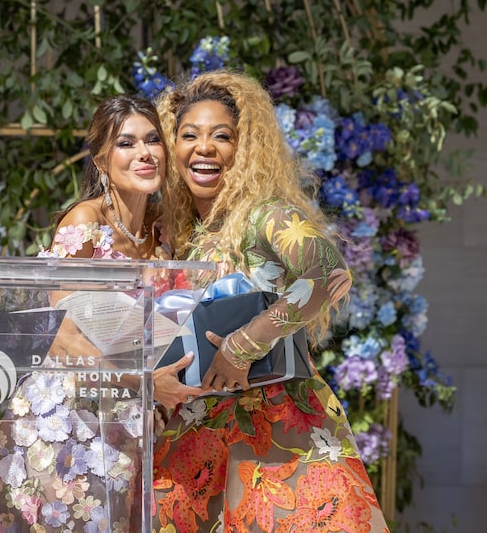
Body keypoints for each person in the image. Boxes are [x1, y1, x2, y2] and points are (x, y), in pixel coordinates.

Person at [152, 70, 390, 533]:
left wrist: (243, 344)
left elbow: (327, 273)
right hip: (197, 431)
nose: (204, 148)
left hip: (275, 425)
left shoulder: (266, 214)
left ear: (245, 149)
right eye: (189, 135)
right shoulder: (184, 234)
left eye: (222, 136)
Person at [0, 94, 204, 531]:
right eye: (127, 143)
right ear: (100, 159)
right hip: (71, 416)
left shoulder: (166, 230)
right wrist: (144, 380)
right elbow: (63, 336)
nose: (145, 153)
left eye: (153, 140)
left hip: (134, 414)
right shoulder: (85, 221)